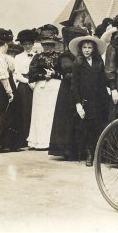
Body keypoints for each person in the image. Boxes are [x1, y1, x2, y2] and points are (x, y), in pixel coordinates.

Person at [49, 26, 88, 160]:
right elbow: (67, 74)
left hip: (78, 90)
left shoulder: (81, 55)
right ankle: (69, 150)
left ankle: (80, 150)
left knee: (78, 119)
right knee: (69, 118)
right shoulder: (66, 56)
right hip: (68, 91)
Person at [69, 35, 108, 166]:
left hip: (99, 100)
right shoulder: (78, 63)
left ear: (94, 49)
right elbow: (74, 85)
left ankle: (99, 153)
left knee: (99, 127)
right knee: (87, 129)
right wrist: (78, 103)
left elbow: (103, 79)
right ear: (81, 49)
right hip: (86, 101)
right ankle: (89, 154)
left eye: (89, 47)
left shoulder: (99, 62)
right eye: (84, 47)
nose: (87, 50)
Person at [26, 25, 63, 150]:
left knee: (52, 113)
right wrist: (42, 75)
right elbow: (31, 75)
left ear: (54, 45)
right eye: (45, 44)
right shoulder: (37, 57)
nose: (47, 47)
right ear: (42, 45)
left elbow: (64, 72)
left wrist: (54, 74)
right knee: (40, 114)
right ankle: (39, 142)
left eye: (50, 44)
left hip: (55, 87)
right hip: (41, 88)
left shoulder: (60, 57)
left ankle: (51, 142)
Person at [12, 29, 38, 148]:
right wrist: (28, 81)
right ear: (22, 45)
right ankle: (24, 139)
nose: (28, 46)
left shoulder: (37, 56)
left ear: (33, 44)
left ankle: (35, 139)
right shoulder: (17, 57)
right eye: (25, 44)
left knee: (36, 112)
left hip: (36, 85)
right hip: (24, 85)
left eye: (30, 44)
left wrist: (35, 82)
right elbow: (17, 74)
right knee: (25, 112)